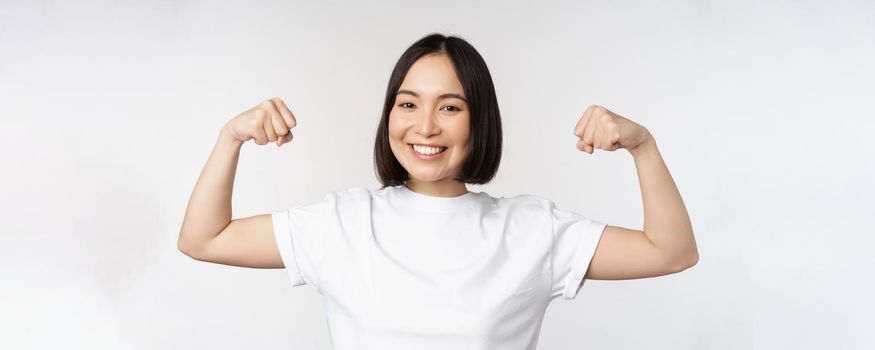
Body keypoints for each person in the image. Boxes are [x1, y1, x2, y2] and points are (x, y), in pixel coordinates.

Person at [177, 33, 698, 350]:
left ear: (479, 122)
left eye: (449, 107)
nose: (424, 126)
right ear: (389, 116)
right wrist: (231, 138)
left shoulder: (531, 231)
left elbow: (671, 252)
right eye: (408, 104)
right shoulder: (343, 223)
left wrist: (644, 147)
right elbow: (205, 239)